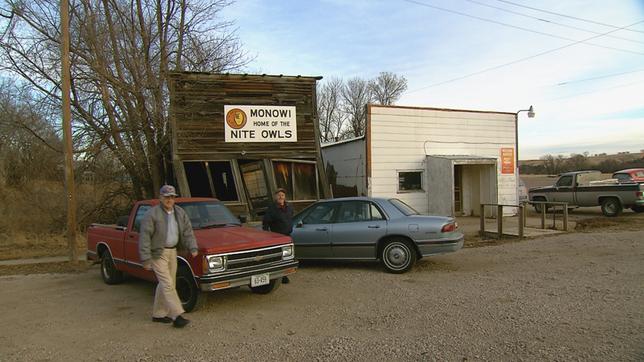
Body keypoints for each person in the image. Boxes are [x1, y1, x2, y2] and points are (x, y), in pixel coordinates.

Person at [139, 185, 198, 328]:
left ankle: (158, 314)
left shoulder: (180, 213)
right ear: (160, 198)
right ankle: (177, 315)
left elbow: (187, 231)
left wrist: (193, 247)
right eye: (166, 197)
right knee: (168, 284)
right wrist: (146, 259)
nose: (169, 199)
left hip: (173, 252)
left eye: (172, 197)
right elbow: (145, 237)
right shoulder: (152, 214)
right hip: (158, 253)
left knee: (166, 283)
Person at [262, 188, 293, 284]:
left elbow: (291, 217)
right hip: (277, 237)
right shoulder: (272, 208)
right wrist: (267, 234)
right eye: (279, 195)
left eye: (282, 195)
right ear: (275, 197)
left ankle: (285, 274)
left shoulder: (289, 207)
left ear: (285, 197)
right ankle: (281, 276)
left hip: (287, 236)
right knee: (279, 257)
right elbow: (265, 222)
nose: (280, 197)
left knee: (287, 256)